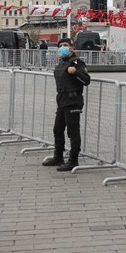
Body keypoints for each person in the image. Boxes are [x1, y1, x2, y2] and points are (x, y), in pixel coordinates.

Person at [42, 36, 91, 172]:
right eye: (60, 45)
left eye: (65, 45)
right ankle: (58, 157)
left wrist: (75, 72)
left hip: (73, 101)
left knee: (72, 132)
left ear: (72, 47)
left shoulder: (77, 63)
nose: (63, 47)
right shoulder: (62, 62)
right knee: (57, 129)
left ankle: (73, 160)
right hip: (62, 101)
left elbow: (86, 80)